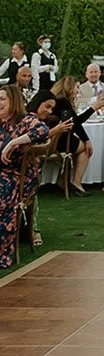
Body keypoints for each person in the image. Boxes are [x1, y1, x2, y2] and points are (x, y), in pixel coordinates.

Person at [0, 83, 57, 268]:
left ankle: (3, 252)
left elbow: (43, 131)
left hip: (18, 175)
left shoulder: (24, 120)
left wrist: (13, 143)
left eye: (2, 99)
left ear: (13, 101)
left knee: (2, 189)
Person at [47, 76, 97, 193]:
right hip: (57, 139)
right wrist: (94, 108)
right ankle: (77, 182)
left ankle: (62, 180)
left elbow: (74, 123)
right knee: (85, 149)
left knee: (77, 145)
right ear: (70, 87)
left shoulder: (56, 99)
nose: (78, 91)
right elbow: (76, 123)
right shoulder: (62, 101)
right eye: (77, 87)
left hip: (52, 137)